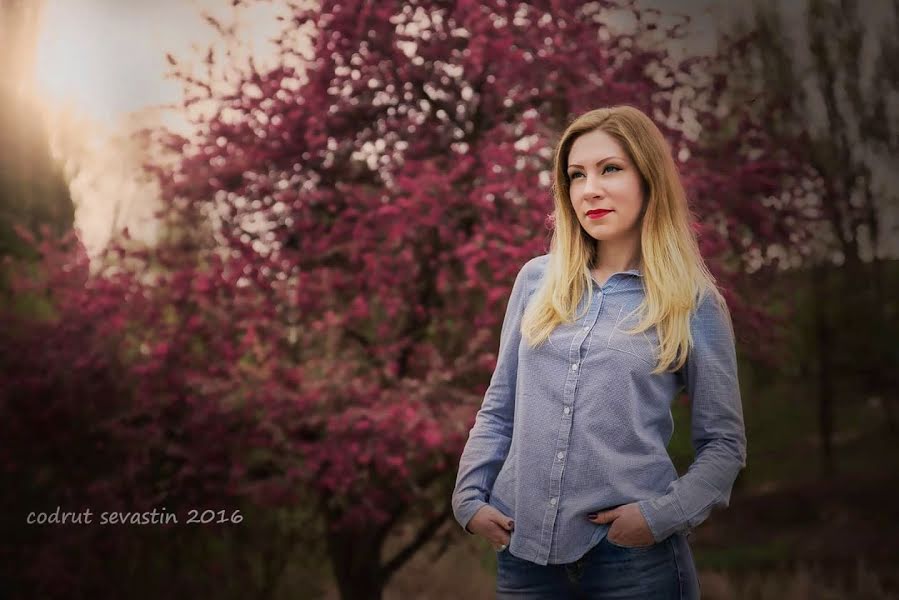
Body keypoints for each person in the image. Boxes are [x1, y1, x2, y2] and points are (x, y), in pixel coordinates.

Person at [451, 105, 747, 599]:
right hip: (524, 559)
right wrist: (468, 500)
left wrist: (658, 518)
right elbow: (498, 409)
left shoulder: (692, 301)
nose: (590, 188)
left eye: (610, 168)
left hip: (633, 562)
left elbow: (724, 445)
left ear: (648, 179)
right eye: (576, 175)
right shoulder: (535, 282)